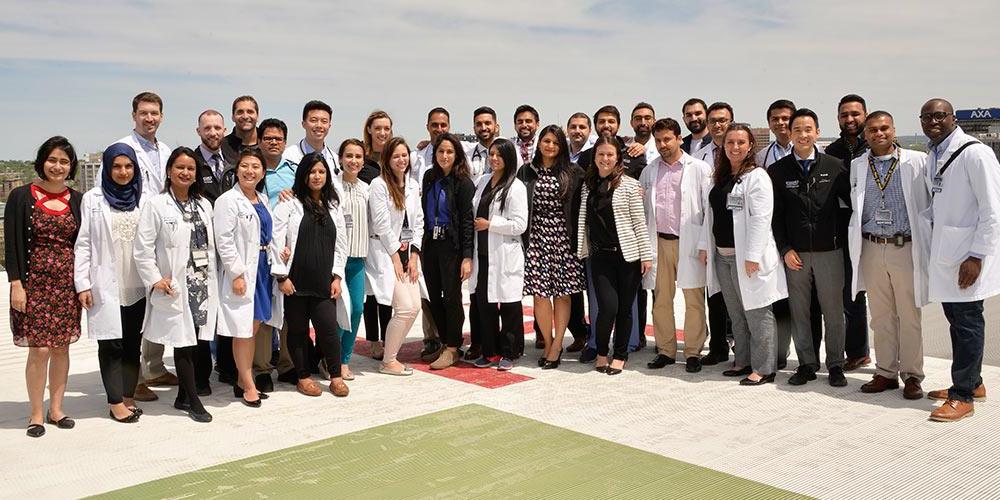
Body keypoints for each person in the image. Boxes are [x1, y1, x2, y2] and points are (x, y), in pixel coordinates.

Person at [919, 98, 1000, 422]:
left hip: (967, 255)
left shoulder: (975, 153)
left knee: (967, 322)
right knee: (956, 319)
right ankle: (972, 382)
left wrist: (977, 256)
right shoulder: (934, 154)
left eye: (939, 116)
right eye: (926, 117)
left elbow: (993, 211)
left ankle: (962, 394)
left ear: (953, 118)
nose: (933, 121)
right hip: (946, 253)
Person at [133, 147, 220, 423]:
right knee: (183, 343)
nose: (185, 173)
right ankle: (193, 401)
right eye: (180, 168)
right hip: (175, 284)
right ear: (169, 171)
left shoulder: (204, 204)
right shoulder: (156, 205)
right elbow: (142, 249)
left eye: (191, 169)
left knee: (194, 341)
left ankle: (183, 396)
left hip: (202, 283)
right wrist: (155, 279)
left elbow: (211, 244)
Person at [847, 111, 930, 400]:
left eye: (884, 128)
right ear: (865, 134)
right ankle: (885, 371)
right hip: (871, 246)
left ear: (894, 130)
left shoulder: (916, 161)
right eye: (872, 130)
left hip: (904, 246)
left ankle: (912, 375)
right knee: (880, 315)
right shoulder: (858, 165)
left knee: (909, 314)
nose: (878, 134)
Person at [7, 136, 84, 437]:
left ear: (71, 167)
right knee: (38, 349)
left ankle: (56, 409)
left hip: (67, 284)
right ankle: (36, 413)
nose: (58, 166)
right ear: (42, 161)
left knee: (61, 347)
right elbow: (12, 245)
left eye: (64, 161)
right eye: (53, 160)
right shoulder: (22, 196)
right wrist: (16, 283)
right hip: (33, 283)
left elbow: (84, 244)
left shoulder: (77, 199)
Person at [770, 108, 852, 387]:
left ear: (817, 132)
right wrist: (785, 249)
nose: (803, 135)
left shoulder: (835, 166)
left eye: (808, 129)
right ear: (789, 134)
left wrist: (837, 239)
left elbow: (848, 208)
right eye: (797, 130)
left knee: (833, 311)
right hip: (796, 254)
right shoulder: (778, 171)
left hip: (830, 252)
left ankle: (836, 364)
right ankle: (806, 363)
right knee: (800, 310)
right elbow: (775, 216)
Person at [699, 124, 786, 385]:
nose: (734, 147)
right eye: (730, 143)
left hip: (746, 258)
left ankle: (764, 367)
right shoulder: (722, 177)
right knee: (736, 312)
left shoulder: (757, 177)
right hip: (722, 257)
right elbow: (710, 216)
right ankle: (743, 360)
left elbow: (761, 218)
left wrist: (752, 256)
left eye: (740, 143)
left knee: (758, 312)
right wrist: (706, 246)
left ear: (750, 147)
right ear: (723, 147)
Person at [74, 143, 146, 424]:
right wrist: (82, 283)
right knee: (111, 344)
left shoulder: (143, 197)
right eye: (116, 166)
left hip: (137, 283)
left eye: (128, 166)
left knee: (132, 343)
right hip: (105, 283)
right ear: (107, 168)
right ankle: (115, 401)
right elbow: (84, 244)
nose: (123, 172)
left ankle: (128, 396)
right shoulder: (93, 199)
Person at [271, 153, 350, 397]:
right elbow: (276, 240)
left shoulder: (334, 206)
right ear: (303, 176)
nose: (317, 176)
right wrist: (282, 277)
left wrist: (336, 276)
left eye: (321, 172)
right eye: (312, 172)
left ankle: (335, 376)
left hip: (323, 281)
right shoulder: (289, 203)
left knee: (328, 330)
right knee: (297, 332)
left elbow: (341, 245)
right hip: (295, 281)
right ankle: (303, 377)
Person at [114, 91, 177, 401]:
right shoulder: (123, 150)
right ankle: (134, 376)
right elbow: (111, 192)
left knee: (159, 301)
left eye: (154, 113)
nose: (149, 118)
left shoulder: (164, 150)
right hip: (133, 236)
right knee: (136, 307)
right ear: (134, 116)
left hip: (161, 235)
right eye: (144, 113)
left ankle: (154, 366)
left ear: (162, 116)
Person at [640, 118, 712, 373]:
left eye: (667, 139)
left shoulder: (699, 169)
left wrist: (704, 244)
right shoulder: (650, 171)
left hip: (689, 242)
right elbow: (644, 213)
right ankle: (666, 350)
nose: (663, 145)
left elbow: (707, 211)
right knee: (661, 299)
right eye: (658, 140)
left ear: (679, 138)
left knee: (693, 298)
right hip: (659, 242)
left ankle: (692, 351)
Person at [576, 136, 653, 375]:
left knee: (624, 309)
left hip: (627, 257)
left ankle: (620, 354)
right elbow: (583, 220)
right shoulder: (588, 185)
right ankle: (601, 352)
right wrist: (581, 249)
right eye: (601, 155)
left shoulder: (629, 185)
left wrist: (646, 255)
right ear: (594, 157)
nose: (605, 159)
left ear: (618, 158)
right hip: (600, 258)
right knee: (607, 307)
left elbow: (639, 223)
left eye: (610, 155)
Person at [213, 147, 278, 407]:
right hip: (243, 271)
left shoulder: (262, 199)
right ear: (236, 169)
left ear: (263, 172)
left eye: (255, 167)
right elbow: (224, 240)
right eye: (245, 166)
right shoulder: (228, 201)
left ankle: (243, 379)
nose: (250, 171)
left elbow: (266, 234)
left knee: (253, 327)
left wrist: (278, 250)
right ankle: (247, 383)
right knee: (242, 330)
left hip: (262, 269)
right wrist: (236, 273)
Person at [518, 125, 586, 369]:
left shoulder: (573, 172)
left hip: (563, 240)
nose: (550, 146)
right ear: (539, 143)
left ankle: (557, 344)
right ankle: (547, 342)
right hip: (536, 239)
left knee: (563, 295)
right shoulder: (526, 172)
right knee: (540, 296)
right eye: (546, 141)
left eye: (556, 143)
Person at [469, 139, 528, 370]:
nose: (493, 158)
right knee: (485, 304)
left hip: (504, 254)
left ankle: (511, 352)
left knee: (510, 305)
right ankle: (490, 351)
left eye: (499, 155)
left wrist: (490, 224)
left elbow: (520, 225)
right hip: (482, 254)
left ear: (509, 158)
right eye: (491, 154)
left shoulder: (516, 187)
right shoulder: (483, 181)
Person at [368, 137, 424, 376]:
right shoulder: (379, 185)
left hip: (407, 253)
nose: (401, 160)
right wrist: (395, 256)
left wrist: (414, 255)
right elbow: (381, 224)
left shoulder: (411, 185)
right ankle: (389, 360)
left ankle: (391, 356)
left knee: (415, 307)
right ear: (387, 160)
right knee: (403, 307)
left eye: (404, 155)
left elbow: (418, 221)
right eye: (396, 156)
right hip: (385, 252)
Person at [824, 94, 872, 372]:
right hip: (844, 231)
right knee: (851, 294)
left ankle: (899, 359)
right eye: (844, 115)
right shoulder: (832, 152)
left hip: (878, 230)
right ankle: (857, 352)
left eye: (855, 114)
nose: (850, 119)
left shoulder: (877, 145)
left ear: (864, 114)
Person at [423, 133, 476, 370]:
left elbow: (466, 220)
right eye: (441, 151)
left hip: (451, 246)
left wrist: (467, 256)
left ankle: (454, 347)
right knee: (433, 296)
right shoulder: (428, 177)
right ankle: (444, 341)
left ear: (457, 155)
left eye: (449, 152)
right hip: (430, 244)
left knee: (452, 297)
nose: (445, 156)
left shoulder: (463, 183)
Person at [257, 118, 297, 390]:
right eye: (268, 138)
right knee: (264, 312)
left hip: (288, 250)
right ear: (259, 140)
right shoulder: (251, 168)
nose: (273, 142)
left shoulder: (293, 171)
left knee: (289, 310)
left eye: (278, 138)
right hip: (259, 249)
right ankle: (260, 368)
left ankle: (287, 364)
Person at [337, 138, 371, 381]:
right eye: (349, 156)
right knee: (338, 312)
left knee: (356, 309)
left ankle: (344, 359)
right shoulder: (332, 187)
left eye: (358, 156)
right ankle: (330, 359)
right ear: (340, 159)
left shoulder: (366, 189)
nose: (353, 161)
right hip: (336, 261)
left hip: (358, 259)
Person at [283, 100, 341, 176]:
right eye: (314, 120)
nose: (319, 125)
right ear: (303, 124)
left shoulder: (336, 160)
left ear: (329, 125)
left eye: (324, 121)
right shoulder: (288, 156)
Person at [195, 109, 237, 205]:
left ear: (224, 131)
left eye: (217, 128)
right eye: (207, 128)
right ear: (198, 131)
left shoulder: (234, 162)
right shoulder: (192, 163)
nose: (213, 133)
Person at [755, 99, 796, 169]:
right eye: (775, 119)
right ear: (769, 123)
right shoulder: (762, 156)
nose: (780, 122)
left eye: (785, 118)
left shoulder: (813, 150)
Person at [466, 106, 501, 180]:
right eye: (479, 124)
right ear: (474, 129)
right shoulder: (467, 157)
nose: (483, 128)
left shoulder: (507, 154)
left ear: (496, 127)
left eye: (487, 123)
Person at [222, 95, 259, 160]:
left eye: (250, 112)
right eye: (240, 112)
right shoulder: (222, 146)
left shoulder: (268, 144)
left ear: (257, 116)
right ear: (233, 117)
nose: (245, 116)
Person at [360, 110, 391, 183]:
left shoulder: (397, 156)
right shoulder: (359, 156)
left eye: (387, 129)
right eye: (377, 128)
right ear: (369, 130)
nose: (382, 133)